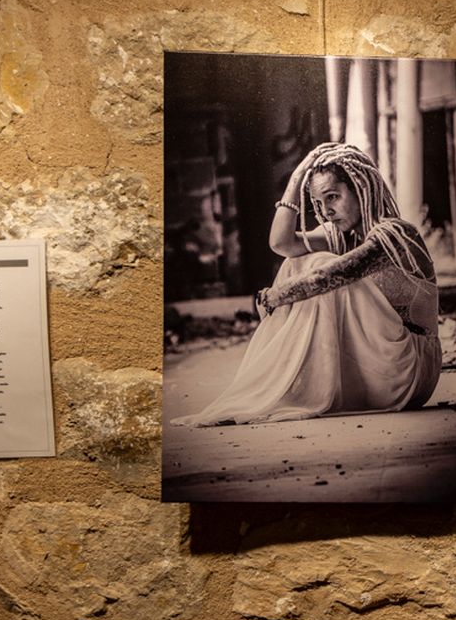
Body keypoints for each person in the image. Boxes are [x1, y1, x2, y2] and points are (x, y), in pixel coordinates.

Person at [172, 143, 441, 426]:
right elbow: (281, 243)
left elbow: (328, 277)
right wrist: (298, 175)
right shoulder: (341, 237)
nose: (327, 211)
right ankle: (279, 387)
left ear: (361, 188)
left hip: (410, 370)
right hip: (376, 367)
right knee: (295, 263)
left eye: (333, 197)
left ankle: (283, 387)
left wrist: (276, 297)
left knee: (319, 264)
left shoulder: (397, 234)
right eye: (318, 203)